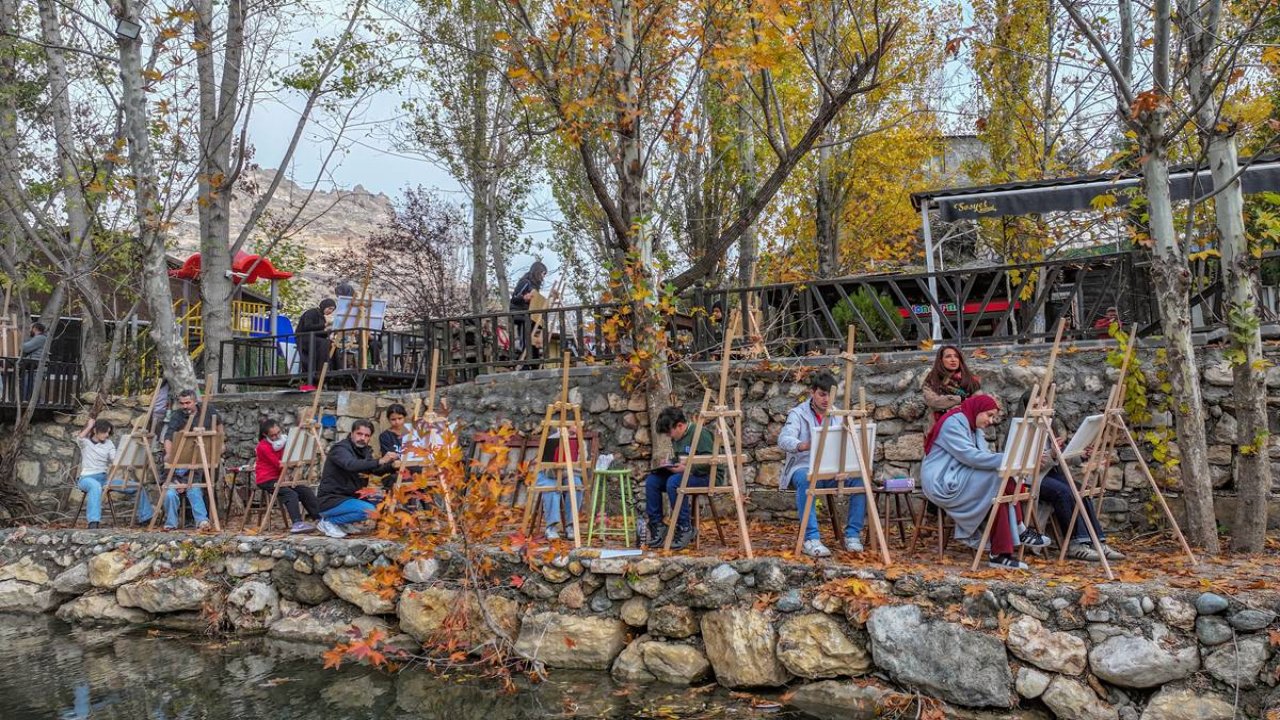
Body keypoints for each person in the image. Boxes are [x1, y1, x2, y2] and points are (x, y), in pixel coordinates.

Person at [921, 394, 1050, 570]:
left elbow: (984, 457)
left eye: (993, 416)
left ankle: (1002, 551)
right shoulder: (953, 423)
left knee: (1000, 482)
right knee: (998, 477)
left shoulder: (972, 427)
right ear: (977, 410)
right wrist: (1013, 458)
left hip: (960, 474)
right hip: (941, 480)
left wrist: (1013, 459)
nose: (990, 421)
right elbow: (971, 457)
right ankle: (1013, 536)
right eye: (989, 415)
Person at [1012, 390, 1125, 562]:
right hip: (1029, 478)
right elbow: (1026, 464)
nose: (1041, 409)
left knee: (1079, 490)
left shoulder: (1049, 426)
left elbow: (1061, 458)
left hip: (1050, 474)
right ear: (1026, 409)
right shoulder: (1022, 430)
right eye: (1035, 406)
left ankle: (1097, 541)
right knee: (1063, 492)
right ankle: (1075, 544)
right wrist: (1052, 454)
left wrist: (1081, 454)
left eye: (1044, 404)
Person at [778, 370, 866, 557]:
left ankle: (852, 536)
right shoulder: (798, 414)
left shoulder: (838, 414)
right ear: (813, 393)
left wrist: (844, 466)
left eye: (829, 395)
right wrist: (802, 445)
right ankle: (811, 539)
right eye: (822, 394)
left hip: (831, 469)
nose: (826, 400)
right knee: (806, 479)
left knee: (859, 481)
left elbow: (846, 445)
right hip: (803, 466)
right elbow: (783, 439)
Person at [643, 406, 715, 550]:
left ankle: (685, 527)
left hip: (707, 477)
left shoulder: (700, 434)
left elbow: (711, 462)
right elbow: (682, 458)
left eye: (669, 432)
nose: (669, 436)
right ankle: (657, 525)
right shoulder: (677, 437)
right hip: (686, 474)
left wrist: (687, 468)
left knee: (673, 482)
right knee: (652, 480)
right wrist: (669, 463)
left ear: (680, 426)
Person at [316, 419, 400, 538]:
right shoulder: (340, 449)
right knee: (369, 510)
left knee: (382, 501)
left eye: (366, 435)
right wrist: (380, 460)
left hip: (350, 497)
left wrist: (392, 466)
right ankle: (329, 522)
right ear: (351, 433)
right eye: (359, 434)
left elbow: (374, 469)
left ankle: (342, 523)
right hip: (331, 500)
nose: (362, 438)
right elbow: (350, 465)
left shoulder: (364, 451)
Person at [75, 417, 154, 529]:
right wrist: (90, 426)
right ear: (95, 431)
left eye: (108, 432)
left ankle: (146, 517)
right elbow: (79, 438)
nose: (107, 435)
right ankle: (93, 522)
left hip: (104, 479)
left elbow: (115, 459)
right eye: (104, 432)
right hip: (87, 478)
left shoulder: (109, 443)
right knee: (95, 486)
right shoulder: (86, 443)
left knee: (137, 486)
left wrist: (127, 464)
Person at [161, 389, 218, 530]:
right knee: (169, 494)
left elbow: (197, 474)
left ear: (194, 401)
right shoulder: (172, 450)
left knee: (195, 491)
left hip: (191, 482)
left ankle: (202, 521)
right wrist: (176, 483)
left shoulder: (194, 453)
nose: (185, 406)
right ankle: (171, 523)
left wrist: (186, 484)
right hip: (174, 483)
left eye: (188, 402)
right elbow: (165, 474)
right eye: (182, 403)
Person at [255, 419, 320, 534]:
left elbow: (287, 458)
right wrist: (293, 464)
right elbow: (278, 463)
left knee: (304, 490)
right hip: (266, 479)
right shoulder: (262, 446)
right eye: (273, 435)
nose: (277, 436)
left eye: (278, 433)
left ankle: (319, 518)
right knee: (290, 494)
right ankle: (297, 523)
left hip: (280, 477)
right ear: (265, 435)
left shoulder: (283, 441)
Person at [534, 426, 584, 541]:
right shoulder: (553, 440)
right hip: (548, 474)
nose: (573, 431)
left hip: (569, 473)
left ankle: (570, 525)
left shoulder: (580, 442)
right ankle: (551, 527)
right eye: (570, 429)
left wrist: (566, 471)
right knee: (552, 488)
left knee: (576, 485)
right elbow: (547, 470)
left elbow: (579, 469)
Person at [921, 345, 982, 433]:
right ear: (941, 360)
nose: (953, 360)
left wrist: (953, 405)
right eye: (948, 356)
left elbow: (978, 402)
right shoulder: (932, 380)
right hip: (940, 428)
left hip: (966, 427)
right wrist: (960, 399)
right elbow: (934, 402)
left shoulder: (970, 380)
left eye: (956, 356)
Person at [510, 261, 548, 366]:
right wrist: (524, 297)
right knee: (525, 339)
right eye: (543, 273)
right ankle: (524, 364)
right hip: (521, 315)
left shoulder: (535, 286)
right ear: (537, 272)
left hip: (531, 315)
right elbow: (514, 298)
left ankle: (535, 364)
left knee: (532, 340)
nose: (543, 277)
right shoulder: (525, 282)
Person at [296, 298, 336, 390]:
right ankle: (319, 370)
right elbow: (307, 327)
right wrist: (325, 325)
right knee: (324, 343)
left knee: (332, 344)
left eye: (332, 310)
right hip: (304, 338)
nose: (330, 311)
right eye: (329, 308)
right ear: (324, 306)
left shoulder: (322, 317)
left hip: (315, 339)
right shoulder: (311, 312)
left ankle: (331, 371)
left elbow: (320, 332)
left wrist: (329, 332)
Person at [19, 321, 47, 400]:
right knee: (31, 388)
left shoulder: (40, 338)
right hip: (34, 367)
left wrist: (18, 340)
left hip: (35, 368)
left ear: (35, 329)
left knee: (31, 388)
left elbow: (25, 348)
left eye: (30, 328)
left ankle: (29, 403)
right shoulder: (40, 338)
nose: (29, 331)